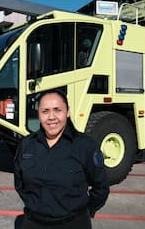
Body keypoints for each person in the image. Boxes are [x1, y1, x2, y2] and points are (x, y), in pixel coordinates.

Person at [14, 89, 109, 228]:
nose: (51, 117)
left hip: (73, 223)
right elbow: (20, 184)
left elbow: (101, 187)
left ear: (68, 112)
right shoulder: (27, 145)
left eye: (57, 110)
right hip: (33, 223)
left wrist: (85, 210)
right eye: (45, 111)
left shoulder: (85, 146)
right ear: (38, 114)